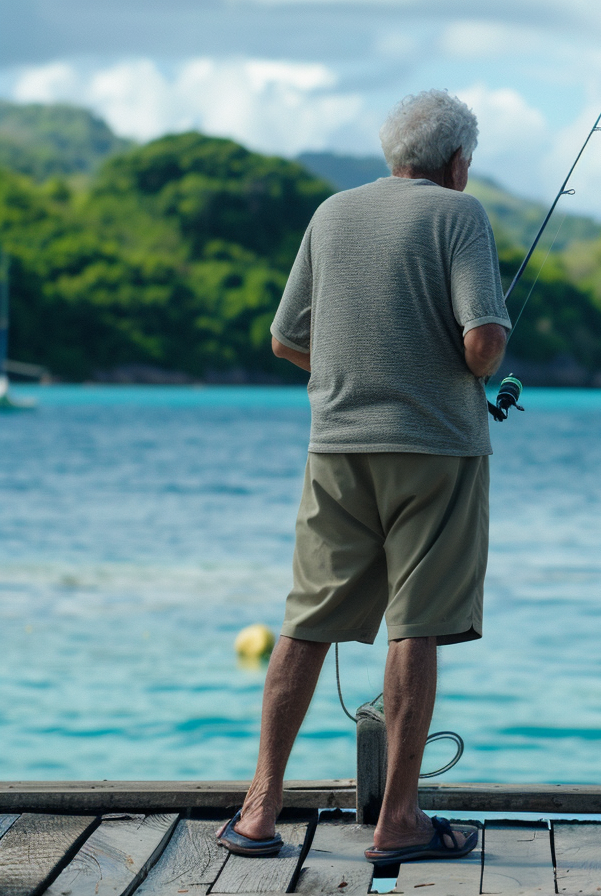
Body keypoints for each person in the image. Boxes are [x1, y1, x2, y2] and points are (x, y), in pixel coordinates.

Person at [217, 89, 511, 864]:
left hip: (336, 449)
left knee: (306, 621)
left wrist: (354, 373)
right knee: (417, 624)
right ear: (457, 163)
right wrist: (465, 369)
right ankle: (399, 821)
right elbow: (482, 341)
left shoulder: (330, 214)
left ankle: (257, 812)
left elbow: (286, 340)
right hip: (438, 451)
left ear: (392, 154)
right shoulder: (461, 215)